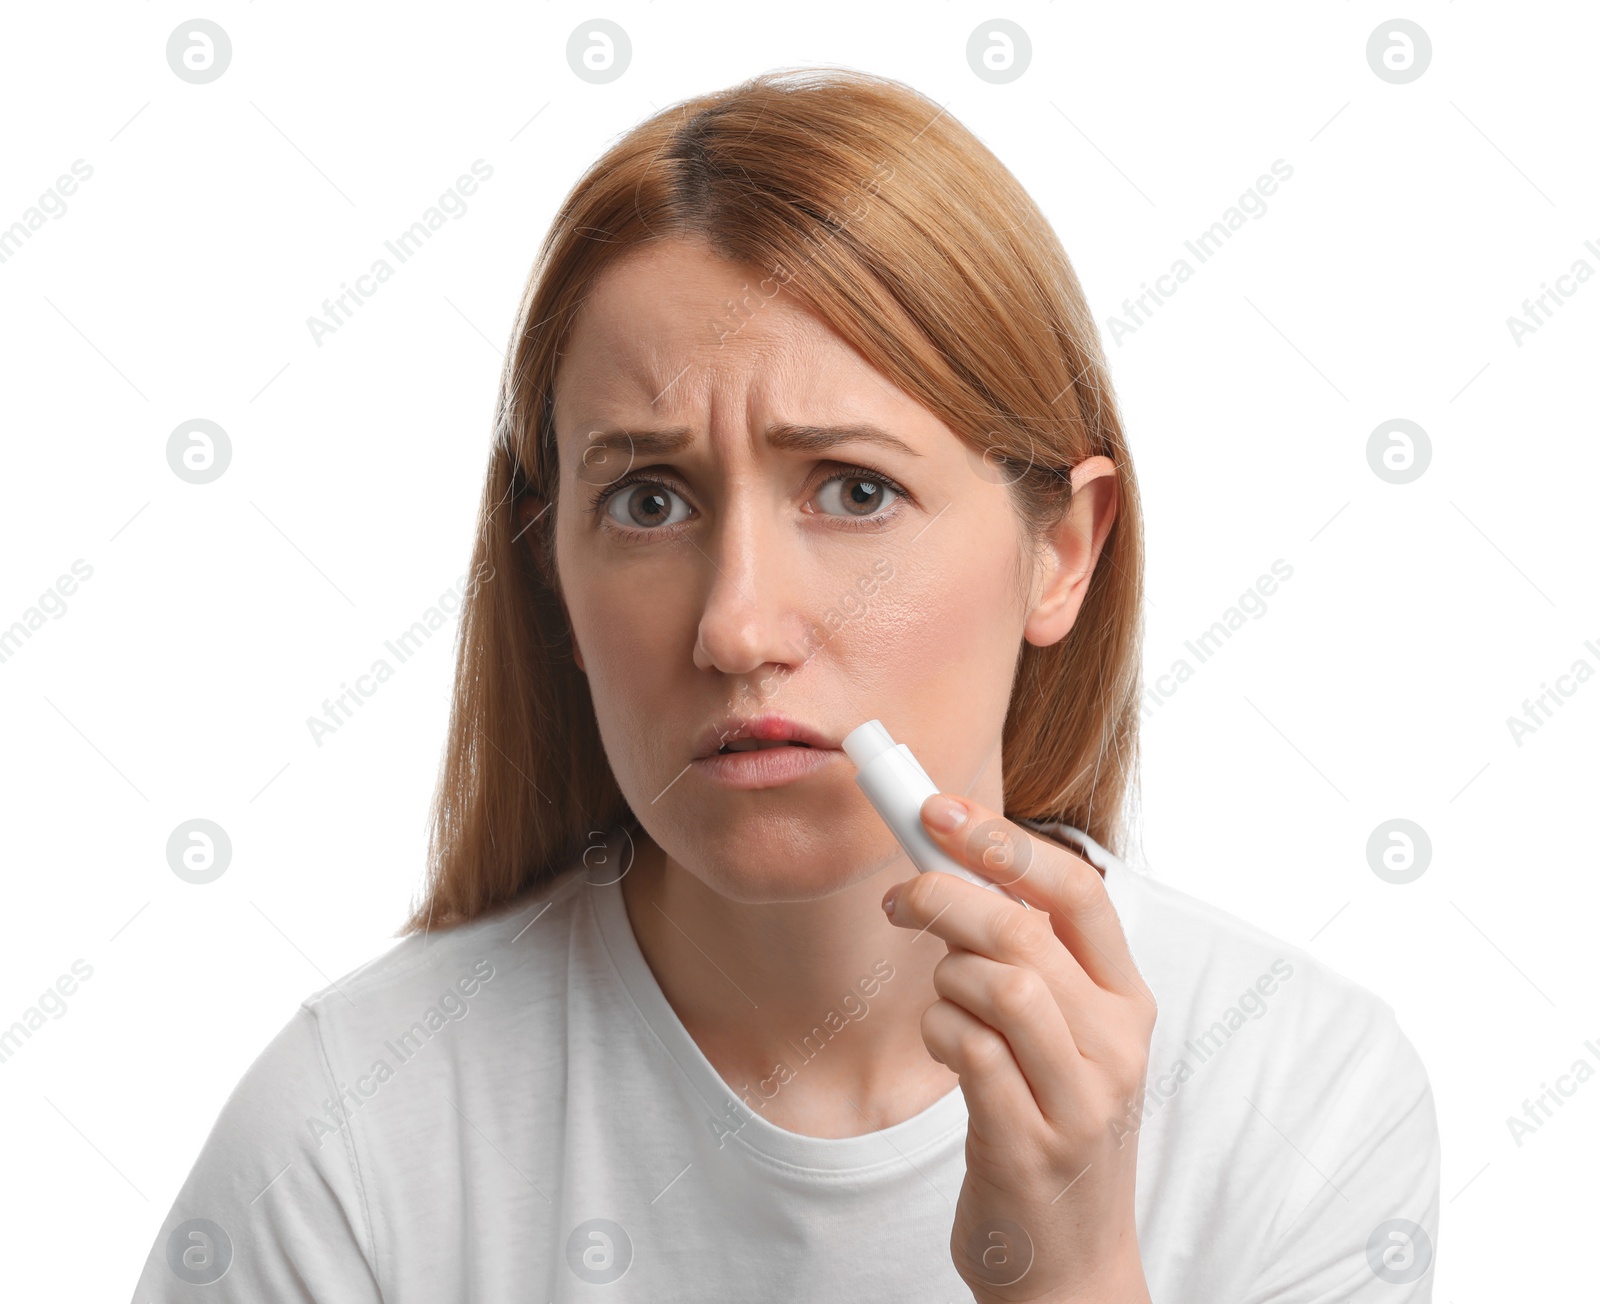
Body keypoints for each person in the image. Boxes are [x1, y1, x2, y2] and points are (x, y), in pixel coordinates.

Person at [129, 67, 1439, 1302]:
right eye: (649, 500)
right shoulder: (351, 1134)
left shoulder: (1296, 1096)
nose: (737, 625)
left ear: (1062, 553)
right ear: (554, 581)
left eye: (855, 491)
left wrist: (1072, 1273)